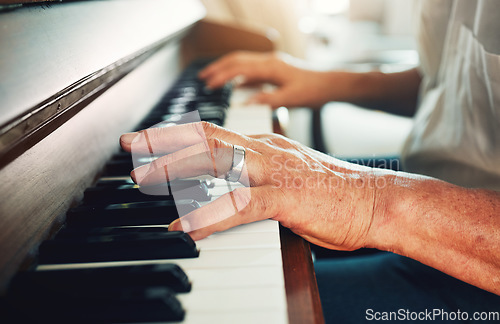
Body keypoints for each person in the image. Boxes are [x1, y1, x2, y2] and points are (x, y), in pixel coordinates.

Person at [120, 0, 500, 322]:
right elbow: (447, 82)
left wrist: (370, 203)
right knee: (249, 195)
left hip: (482, 278)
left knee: (240, 301)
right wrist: (330, 82)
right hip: (431, 175)